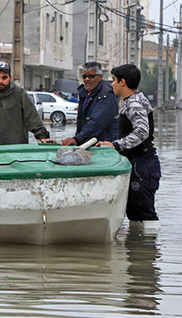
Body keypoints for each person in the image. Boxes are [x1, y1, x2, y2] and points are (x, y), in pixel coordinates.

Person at [98, 64, 161, 227]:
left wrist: (116, 145)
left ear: (122, 82)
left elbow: (142, 131)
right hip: (138, 164)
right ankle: (136, 242)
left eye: (114, 80)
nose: (112, 84)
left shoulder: (134, 103)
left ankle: (148, 243)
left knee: (145, 214)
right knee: (135, 212)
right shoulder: (131, 101)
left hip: (143, 165)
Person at [61, 62, 119, 146]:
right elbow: (81, 121)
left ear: (100, 77)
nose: (87, 79)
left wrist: (77, 139)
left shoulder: (107, 94)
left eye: (91, 76)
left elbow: (97, 123)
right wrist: (77, 139)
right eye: (84, 76)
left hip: (103, 146)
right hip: (88, 143)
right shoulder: (84, 92)